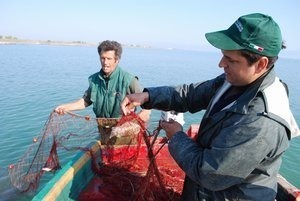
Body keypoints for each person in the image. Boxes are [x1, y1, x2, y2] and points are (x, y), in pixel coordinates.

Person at [121, 13, 300, 201]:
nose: (221, 64)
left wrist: (176, 137)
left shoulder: (261, 122)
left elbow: (209, 173)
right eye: (223, 56)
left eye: (230, 60)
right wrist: (147, 96)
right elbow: (190, 94)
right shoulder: (235, 79)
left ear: (261, 64)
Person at [55, 40, 150, 143]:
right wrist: (66, 107)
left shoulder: (129, 80)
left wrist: (145, 113)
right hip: (103, 131)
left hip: (124, 133)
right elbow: (85, 101)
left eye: (109, 59)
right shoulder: (95, 80)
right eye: (102, 58)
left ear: (116, 60)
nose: (105, 62)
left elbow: (147, 100)